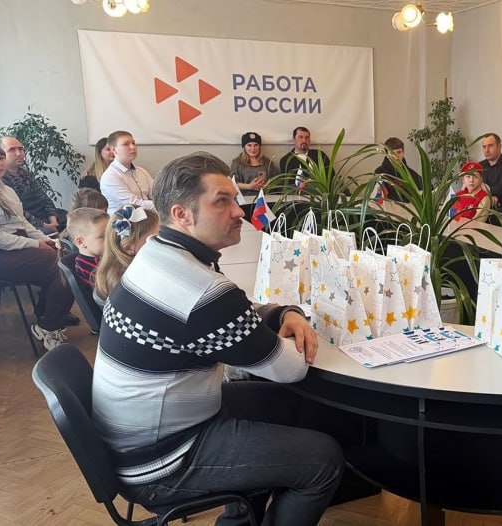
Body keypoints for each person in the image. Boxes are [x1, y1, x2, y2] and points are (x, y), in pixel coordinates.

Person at [91, 152, 343, 526]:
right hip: (162, 463)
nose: (239, 211)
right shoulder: (201, 289)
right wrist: (293, 325)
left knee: (287, 405)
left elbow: (236, 310)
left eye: (235, 199)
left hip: (143, 439)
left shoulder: (157, 255)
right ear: (182, 214)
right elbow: (290, 368)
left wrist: (284, 313)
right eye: (222, 201)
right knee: (323, 460)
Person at [0, 138, 74, 350]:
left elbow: (22, 222)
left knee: (67, 256)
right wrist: (34, 244)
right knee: (60, 264)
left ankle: (48, 318)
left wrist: (43, 239)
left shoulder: (4, 188)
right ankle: (50, 323)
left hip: (15, 245)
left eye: (0, 157)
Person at [0, 136, 67, 234]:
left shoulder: (25, 172)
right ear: (0, 155)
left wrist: (53, 220)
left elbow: (44, 198)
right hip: (27, 223)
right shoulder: (0, 178)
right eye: (12, 150)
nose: (19, 153)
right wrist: (45, 225)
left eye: (20, 149)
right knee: (48, 232)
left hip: (44, 216)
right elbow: (16, 212)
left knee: (75, 220)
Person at [93, 204, 159, 303]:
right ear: (129, 248)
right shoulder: (138, 280)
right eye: (154, 238)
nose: (160, 241)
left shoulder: (108, 273)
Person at [100, 130, 155, 213]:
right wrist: (164, 205)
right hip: (124, 220)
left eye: (133, 143)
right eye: (126, 144)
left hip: (148, 217)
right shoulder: (110, 176)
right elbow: (134, 205)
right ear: (114, 150)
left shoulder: (142, 171)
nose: (132, 147)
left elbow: (156, 194)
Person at [67, 207, 109, 293]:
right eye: (103, 237)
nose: (110, 240)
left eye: (110, 234)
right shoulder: (85, 266)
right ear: (81, 242)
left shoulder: (101, 254)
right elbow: (106, 291)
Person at [229, 132, 278, 196]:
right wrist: (249, 186)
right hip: (245, 198)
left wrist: (267, 186)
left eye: (256, 145)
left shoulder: (267, 162)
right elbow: (233, 183)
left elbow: (277, 180)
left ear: (259, 146)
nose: (253, 148)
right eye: (249, 145)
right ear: (244, 147)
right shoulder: (237, 163)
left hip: (265, 197)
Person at [479, 133, 502, 214]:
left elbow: (501, 190)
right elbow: (473, 187)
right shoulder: (480, 165)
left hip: (500, 211)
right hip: (480, 206)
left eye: (490, 146)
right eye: (484, 147)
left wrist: (483, 189)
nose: (487, 150)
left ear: (499, 146)